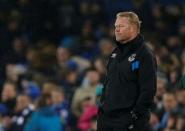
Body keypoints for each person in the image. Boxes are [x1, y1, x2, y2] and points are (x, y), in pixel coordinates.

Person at [97, 12, 157, 131]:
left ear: (133, 28)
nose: (116, 30)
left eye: (121, 26)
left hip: (129, 120)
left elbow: (148, 90)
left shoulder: (144, 54)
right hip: (107, 119)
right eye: (116, 27)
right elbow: (107, 82)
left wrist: (134, 115)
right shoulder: (115, 53)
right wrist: (102, 107)